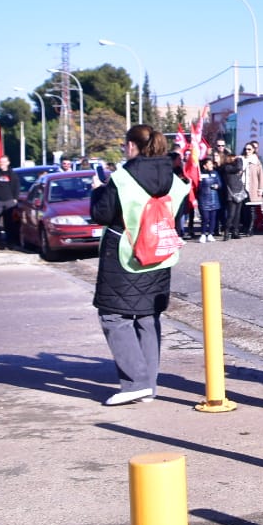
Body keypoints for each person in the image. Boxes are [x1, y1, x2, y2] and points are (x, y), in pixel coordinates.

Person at [88, 124, 188, 406]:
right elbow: (178, 213)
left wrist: (97, 191)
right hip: (160, 252)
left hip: (125, 253)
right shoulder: (174, 177)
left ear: (132, 146)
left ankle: (135, 382)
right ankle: (148, 385)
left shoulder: (122, 178)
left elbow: (102, 214)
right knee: (147, 316)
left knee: (113, 316)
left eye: (124, 145)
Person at [217, 149, 248, 239]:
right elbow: (238, 168)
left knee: (237, 214)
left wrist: (239, 160)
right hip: (231, 194)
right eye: (232, 156)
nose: (234, 158)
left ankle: (235, 231)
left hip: (239, 191)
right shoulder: (227, 167)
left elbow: (240, 168)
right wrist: (239, 159)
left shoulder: (233, 166)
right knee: (231, 214)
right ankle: (226, 232)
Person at [196, 156, 222, 242]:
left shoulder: (215, 173)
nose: (211, 165)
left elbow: (220, 184)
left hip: (214, 198)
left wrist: (217, 186)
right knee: (205, 218)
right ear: (204, 166)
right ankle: (203, 234)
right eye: (209, 164)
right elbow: (197, 188)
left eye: (212, 164)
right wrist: (199, 182)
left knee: (213, 218)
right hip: (204, 199)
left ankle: (210, 234)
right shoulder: (200, 174)